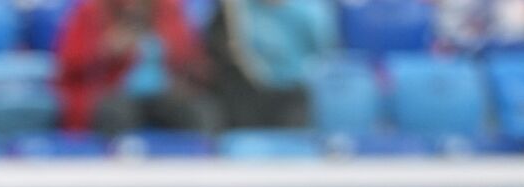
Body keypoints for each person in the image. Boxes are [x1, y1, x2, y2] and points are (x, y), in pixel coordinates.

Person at [56, 0, 217, 135]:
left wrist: (174, 50)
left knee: (201, 111)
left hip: (165, 93)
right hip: (116, 92)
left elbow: (191, 57)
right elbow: (68, 64)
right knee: (114, 112)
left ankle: (201, 163)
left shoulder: (169, 10)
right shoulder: (93, 10)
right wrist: (106, 50)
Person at [205, 0, 335, 129]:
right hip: (248, 90)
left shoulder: (309, 13)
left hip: (292, 91)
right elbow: (224, 47)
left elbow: (321, 54)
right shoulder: (237, 10)